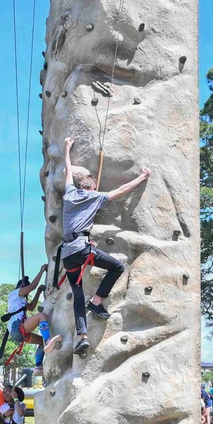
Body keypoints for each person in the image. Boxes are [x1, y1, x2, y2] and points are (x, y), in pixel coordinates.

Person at [61, 136, 151, 358]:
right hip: (81, 249)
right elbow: (121, 191)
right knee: (117, 267)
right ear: (91, 188)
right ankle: (98, 301)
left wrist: (66, 148)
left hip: (67, 254)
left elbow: (68, 171)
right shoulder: (94, 197)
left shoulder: (69, 194)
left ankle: (82, 337)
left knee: (77, 293)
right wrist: (142, 176)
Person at [6, 264, 62, 376]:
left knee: (40, 341)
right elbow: (32, 286)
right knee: (42, 316)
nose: (27, 292)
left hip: (16, 332)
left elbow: (31, 307)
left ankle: (38, 366)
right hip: (17, 327)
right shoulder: (14, 294)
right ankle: (48, 342)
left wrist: (38, 292)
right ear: (21, 287)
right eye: (24, 288)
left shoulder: (20, 301)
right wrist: (41, 271)